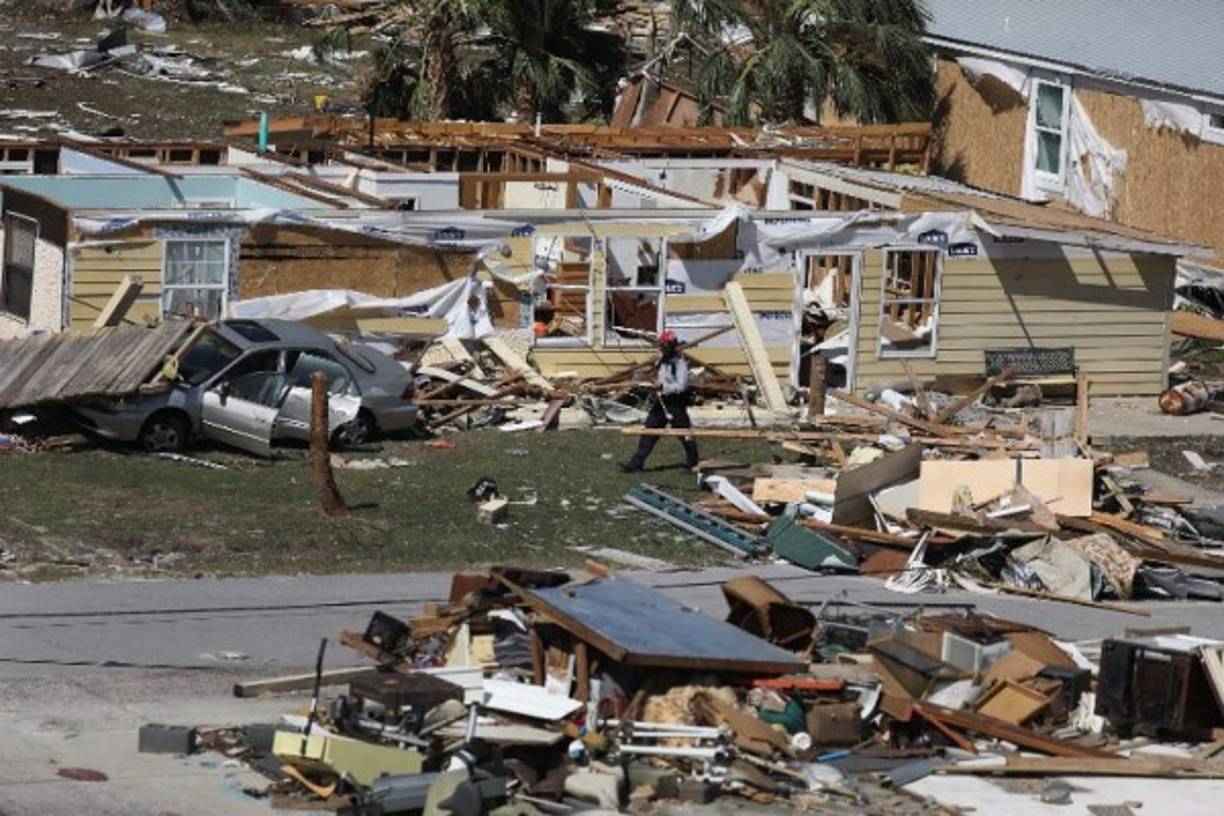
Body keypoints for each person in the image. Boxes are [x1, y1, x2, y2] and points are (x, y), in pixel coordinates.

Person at [620, 331, 699, 472]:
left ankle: (693, 462)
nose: (661, 349)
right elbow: (659, 377)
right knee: (649, 430)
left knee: (684, 434)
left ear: (670, 346)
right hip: (662, 401)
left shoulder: (680, 364)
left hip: (676, 403)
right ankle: (636, 464)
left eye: (663, 346)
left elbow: (682, 386)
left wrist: (663, 386)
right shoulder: (663, 361)